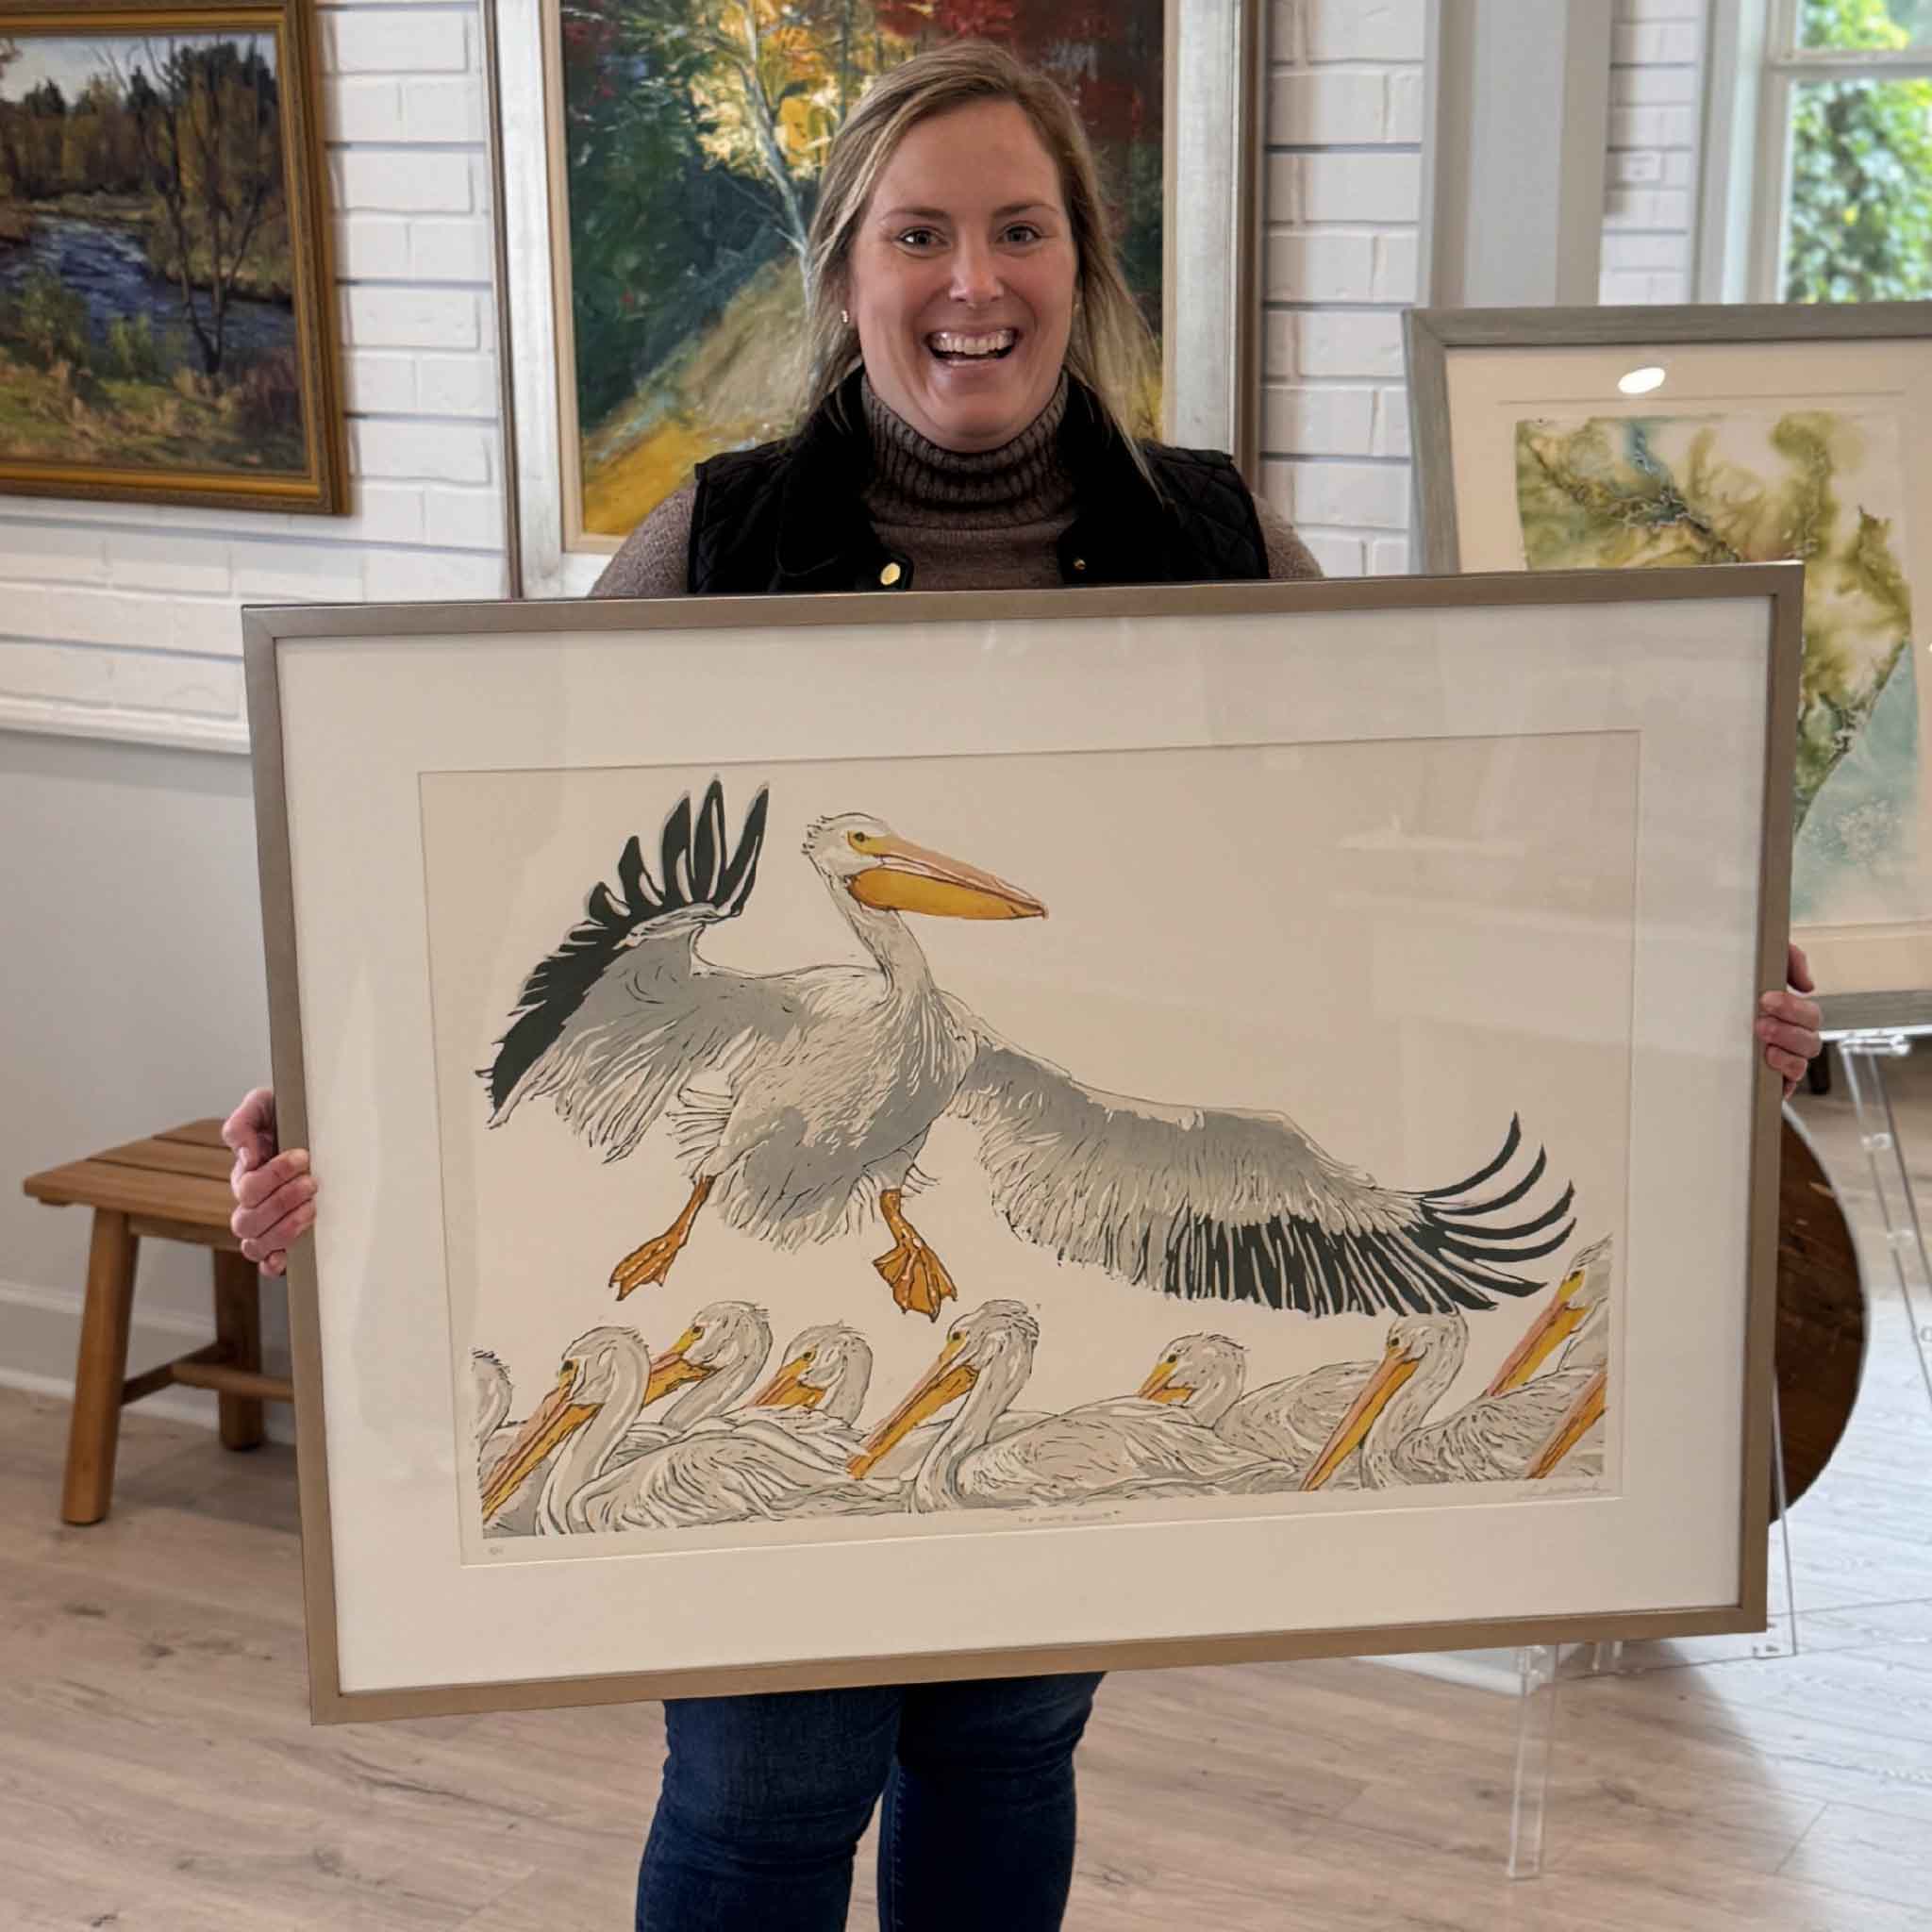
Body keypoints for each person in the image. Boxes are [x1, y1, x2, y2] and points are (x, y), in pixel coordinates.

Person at [222, 41, 1826, 1932]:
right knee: (763, 1784)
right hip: (737, 1308)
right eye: (919, 234)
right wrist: (332, 1123)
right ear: (843, 277)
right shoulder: (711, 547)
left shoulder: (1220, 546)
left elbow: (1399, 871)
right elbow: (499, 906)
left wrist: (1692, 992)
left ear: (1084, 265)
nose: (971, 280)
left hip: (1040, 1303)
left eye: (1019, 229)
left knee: (1004, 1748)